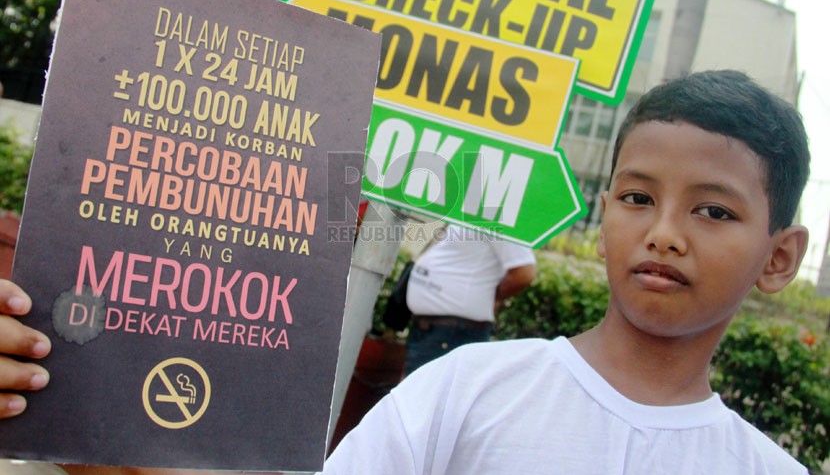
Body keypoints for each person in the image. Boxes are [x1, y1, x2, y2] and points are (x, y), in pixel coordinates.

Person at [0, 70, 813, 474]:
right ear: (604, 214)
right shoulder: (464, 393)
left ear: (780, 257)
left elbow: (518, 276)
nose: (663, 234)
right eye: (638, 197)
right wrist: (62, 378)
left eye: (714, 211)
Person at [403, 224, 536, 374]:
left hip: (453, 333)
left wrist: (494, 298)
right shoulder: (474, 211)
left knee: (427, 394)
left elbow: (524, 274)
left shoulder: (501, 217)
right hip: (436, 331)